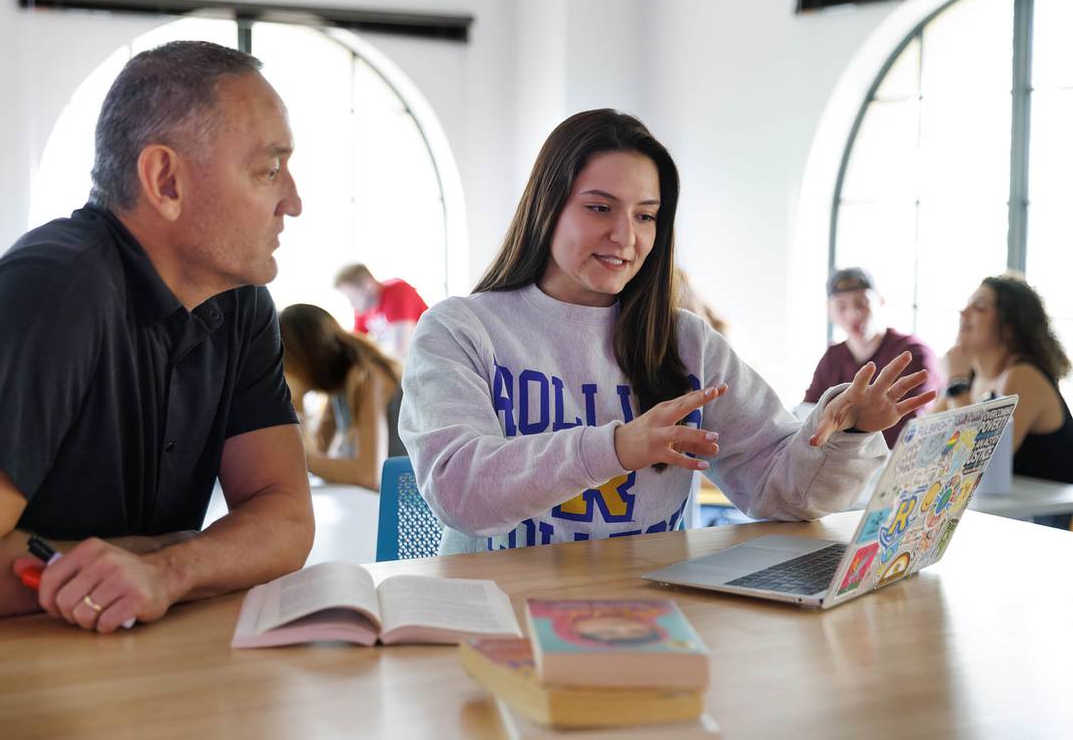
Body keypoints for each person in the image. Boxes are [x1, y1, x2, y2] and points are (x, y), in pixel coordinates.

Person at [0, 41, 315, 629]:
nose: (294, 201)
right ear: (166, 181)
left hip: (106, 656)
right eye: (269, 169)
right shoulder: (50, 291)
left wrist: (169, 571)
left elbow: (285, 518)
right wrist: (152, 553)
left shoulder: (238, 300)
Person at [400, 109, 936, 554]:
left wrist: (846, 431)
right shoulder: (459, 330)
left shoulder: (687, 342)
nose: (624, 235)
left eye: (646, 216)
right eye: (599, 208)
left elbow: (781, 491)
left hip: (651, 620)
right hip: (499, 615)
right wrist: (615, 448)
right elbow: (460, 491)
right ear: (547, 206)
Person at [933, 275, 1073, 528]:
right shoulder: (971, 377)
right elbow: (928, 445)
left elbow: (977, 461)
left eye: (980, 307)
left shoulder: (1022, 376)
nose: (963, 312)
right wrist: (955, 384)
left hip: (1051, 521)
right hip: (1006, 515)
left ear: (1009, 328)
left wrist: (955, 383)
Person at [802, 267, 940, 446]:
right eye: (841, 306)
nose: (853, 314)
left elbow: (907, 434)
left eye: (862, 302)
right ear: (829, 311)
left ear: (880, 301)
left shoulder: (913, 353)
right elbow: (807, 417)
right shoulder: (832, 358)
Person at [279, 303, 406, 491]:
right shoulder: (338, 384)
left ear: (305, 359)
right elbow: (321, 449)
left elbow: (369, 474)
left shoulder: (366, 375)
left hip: (405, 501)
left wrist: (299, 457)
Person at [334, 263, 428, 360]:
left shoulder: (397, 292)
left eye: (352, 297)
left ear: (367, 285)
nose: (352, 304)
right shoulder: (363, 308)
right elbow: (354, 345)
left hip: (426, 359)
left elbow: (401, 350)